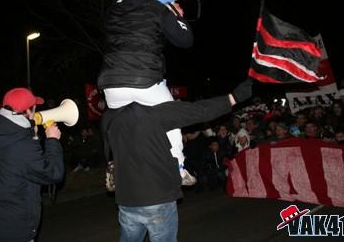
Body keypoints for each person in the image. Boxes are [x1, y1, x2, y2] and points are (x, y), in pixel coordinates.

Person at [101, 79, 252, 241]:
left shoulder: (108, 118)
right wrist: (234, 97)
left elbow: (109, 154)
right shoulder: (156, 113)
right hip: (157, 197)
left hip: (126, 199)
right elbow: (200, 111)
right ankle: (181, 170)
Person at [97, 0, 196, 184]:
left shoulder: (112, 10)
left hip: (111, 84)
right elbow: (185, 40)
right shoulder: (157, 9)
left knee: (117, 124)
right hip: (146, 80)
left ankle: (114, 165)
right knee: (171, 118)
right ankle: (178, 168)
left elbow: (120, 8)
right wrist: (177, 16)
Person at [0, 87, 64, 242]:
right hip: (13, 231)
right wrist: (52, 140)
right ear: (28, 111)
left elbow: (17, 164)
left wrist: (32, 136)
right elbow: (53, 173)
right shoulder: (22, 144)